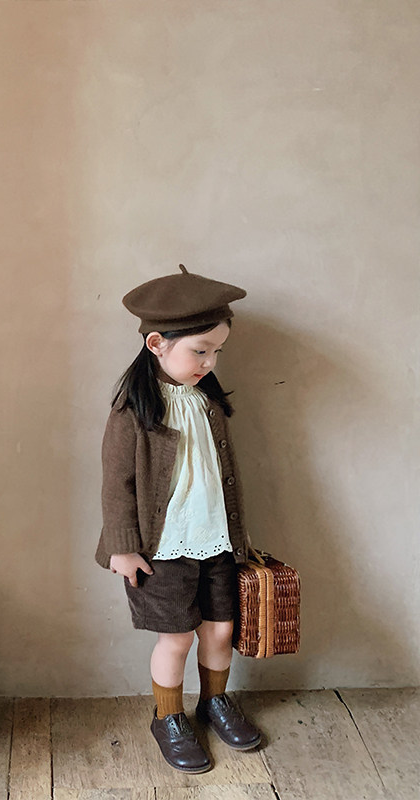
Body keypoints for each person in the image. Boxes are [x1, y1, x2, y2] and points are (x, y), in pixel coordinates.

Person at [96, 264, 261, 774]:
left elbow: (223, 474)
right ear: (156, 344)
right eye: (200, 351)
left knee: (220, 628)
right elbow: (116, 481)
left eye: (217, 352)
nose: (210, 363)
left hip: (215, 540)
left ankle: (214, 702)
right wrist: (123, 546)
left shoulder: (206, 400)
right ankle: (168, 716)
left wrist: (240, 536)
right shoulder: (134, 408)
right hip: (163, 548)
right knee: (177, 637)